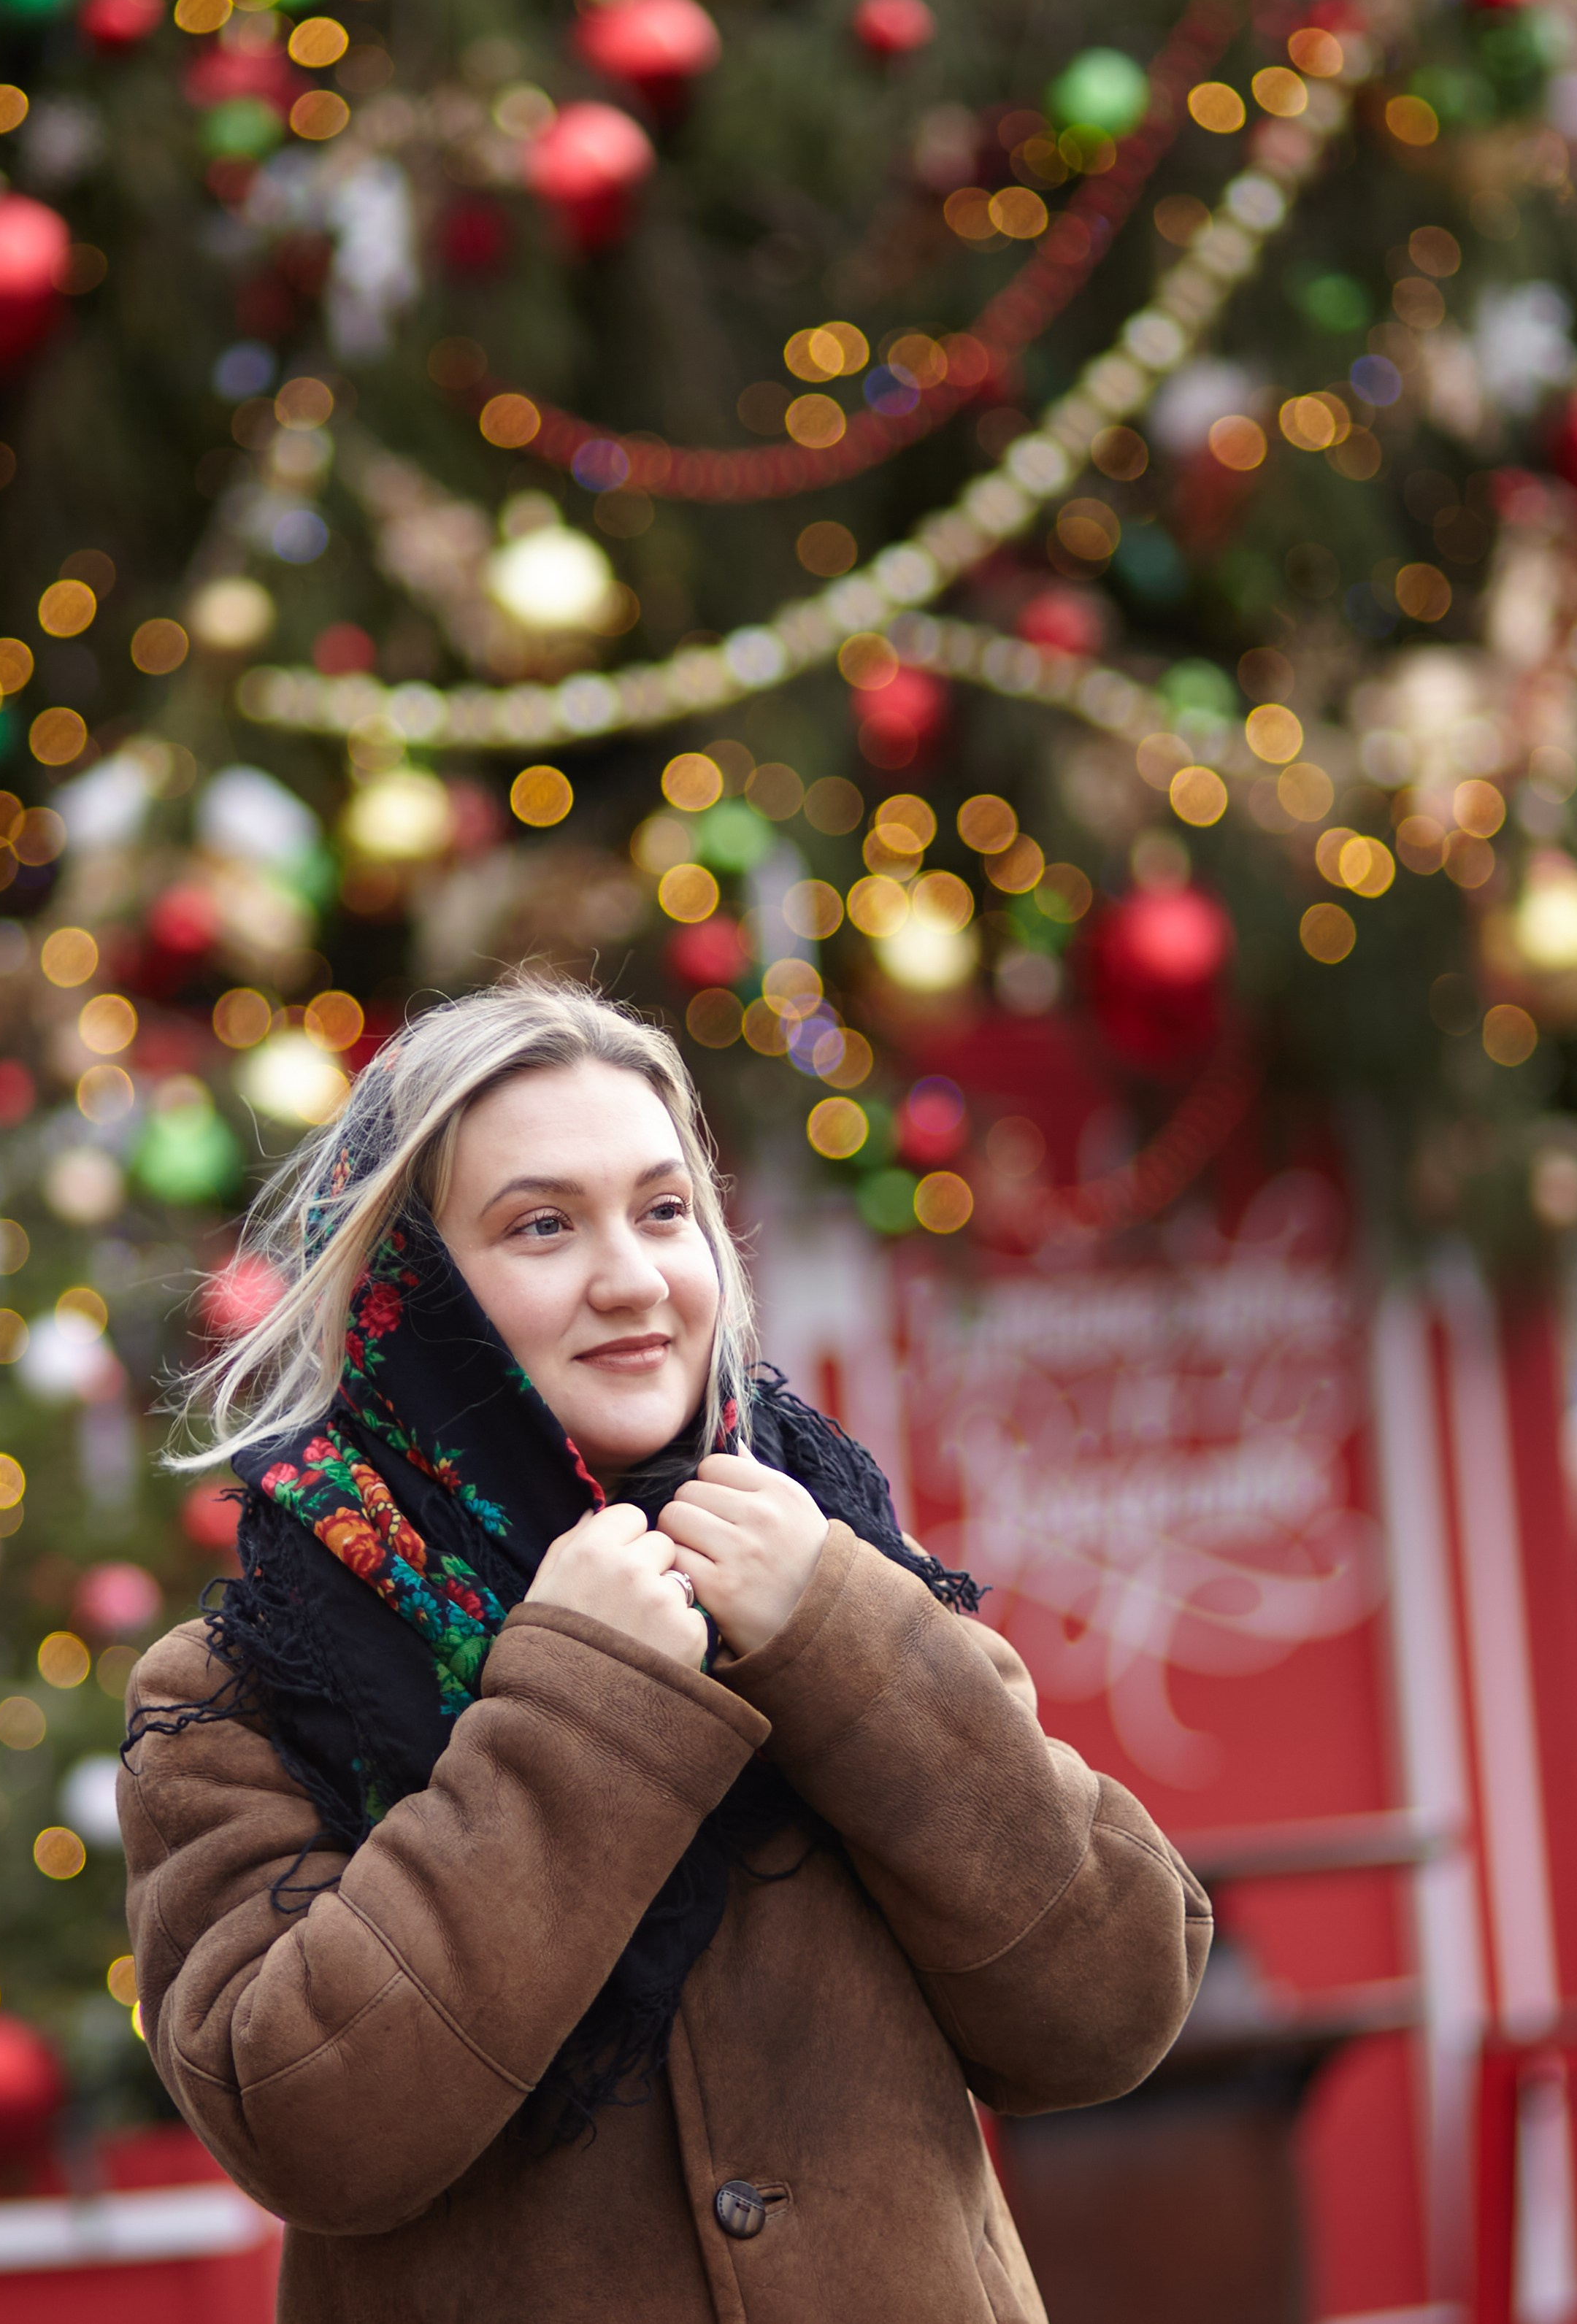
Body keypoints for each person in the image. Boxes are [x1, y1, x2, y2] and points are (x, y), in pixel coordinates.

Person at [120, 977, 1210, 2323]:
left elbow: (1110, 2000)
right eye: (539, 1225)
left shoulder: (831, 1561)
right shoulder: (244, 1685)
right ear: (408, 1281)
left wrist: (837, 1634)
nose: (633, 1279)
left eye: (663, 1209)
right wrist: (574, 1700)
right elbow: (311, 2125)